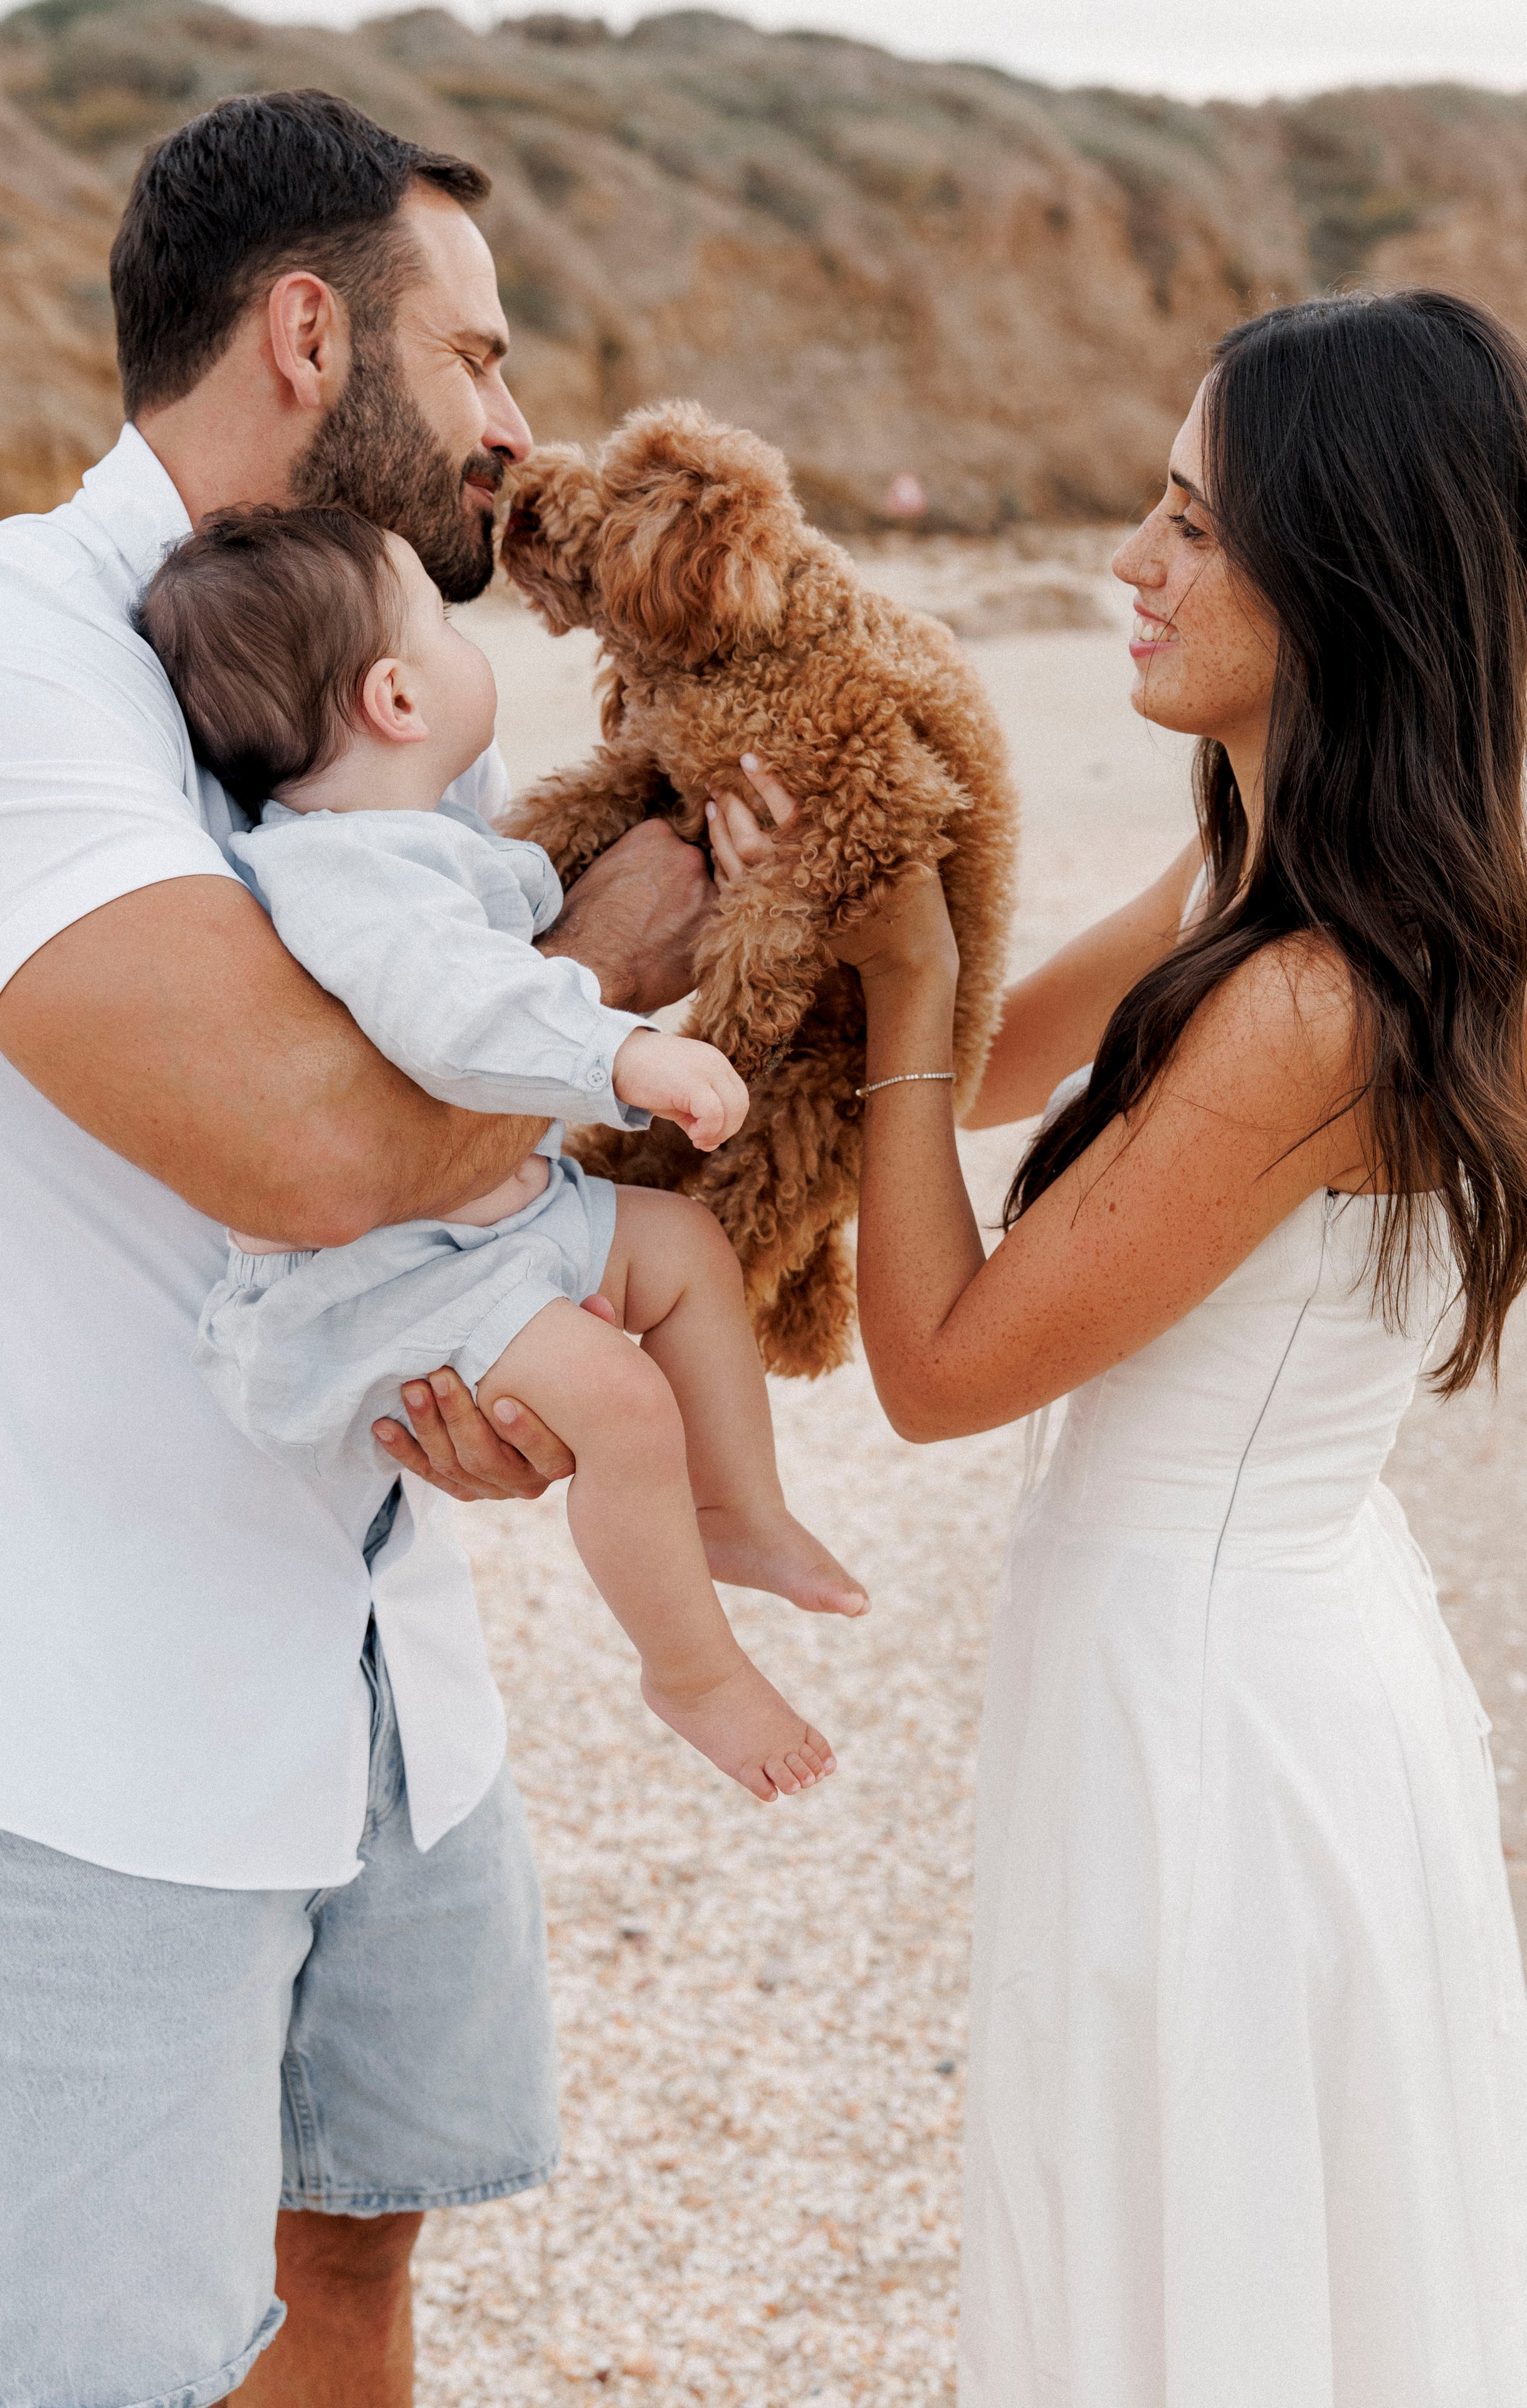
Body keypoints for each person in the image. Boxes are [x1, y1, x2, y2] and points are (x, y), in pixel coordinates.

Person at [0, 88, 717, 2408]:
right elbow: (300, 1137)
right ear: (303, 331)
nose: (515, 420)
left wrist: (465, 1387)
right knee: (138, 2378)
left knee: (358, 2275)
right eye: (474, 356)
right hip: (95, 1732)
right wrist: (614, 966)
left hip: (382, 1674)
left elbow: (418, 1170)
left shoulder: (391, 692)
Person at [710, 290, 1527, 2404]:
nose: (1125, 569)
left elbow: (947, 1363)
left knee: (1194, 2247)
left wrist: (898, 1002)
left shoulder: (1312, 1002)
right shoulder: (1267, 865)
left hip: (1220, 1710)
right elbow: (993, 1069)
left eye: (1189, 527)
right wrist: (834, 897)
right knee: (1203, 2234)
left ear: (1340, 570)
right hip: (1265, 1639)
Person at [140, 501, 861, 1797]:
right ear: (398, 697)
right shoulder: (349, 877)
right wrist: (623, 1051)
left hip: (482, 1216)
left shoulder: (415, 840)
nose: (471, 644)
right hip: (389, 1276)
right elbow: (457, 1016)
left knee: (685, 1247)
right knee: (620, 1402)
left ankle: (735, 1509)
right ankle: (687, 1668)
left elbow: (519, 922)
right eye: (443, 619)